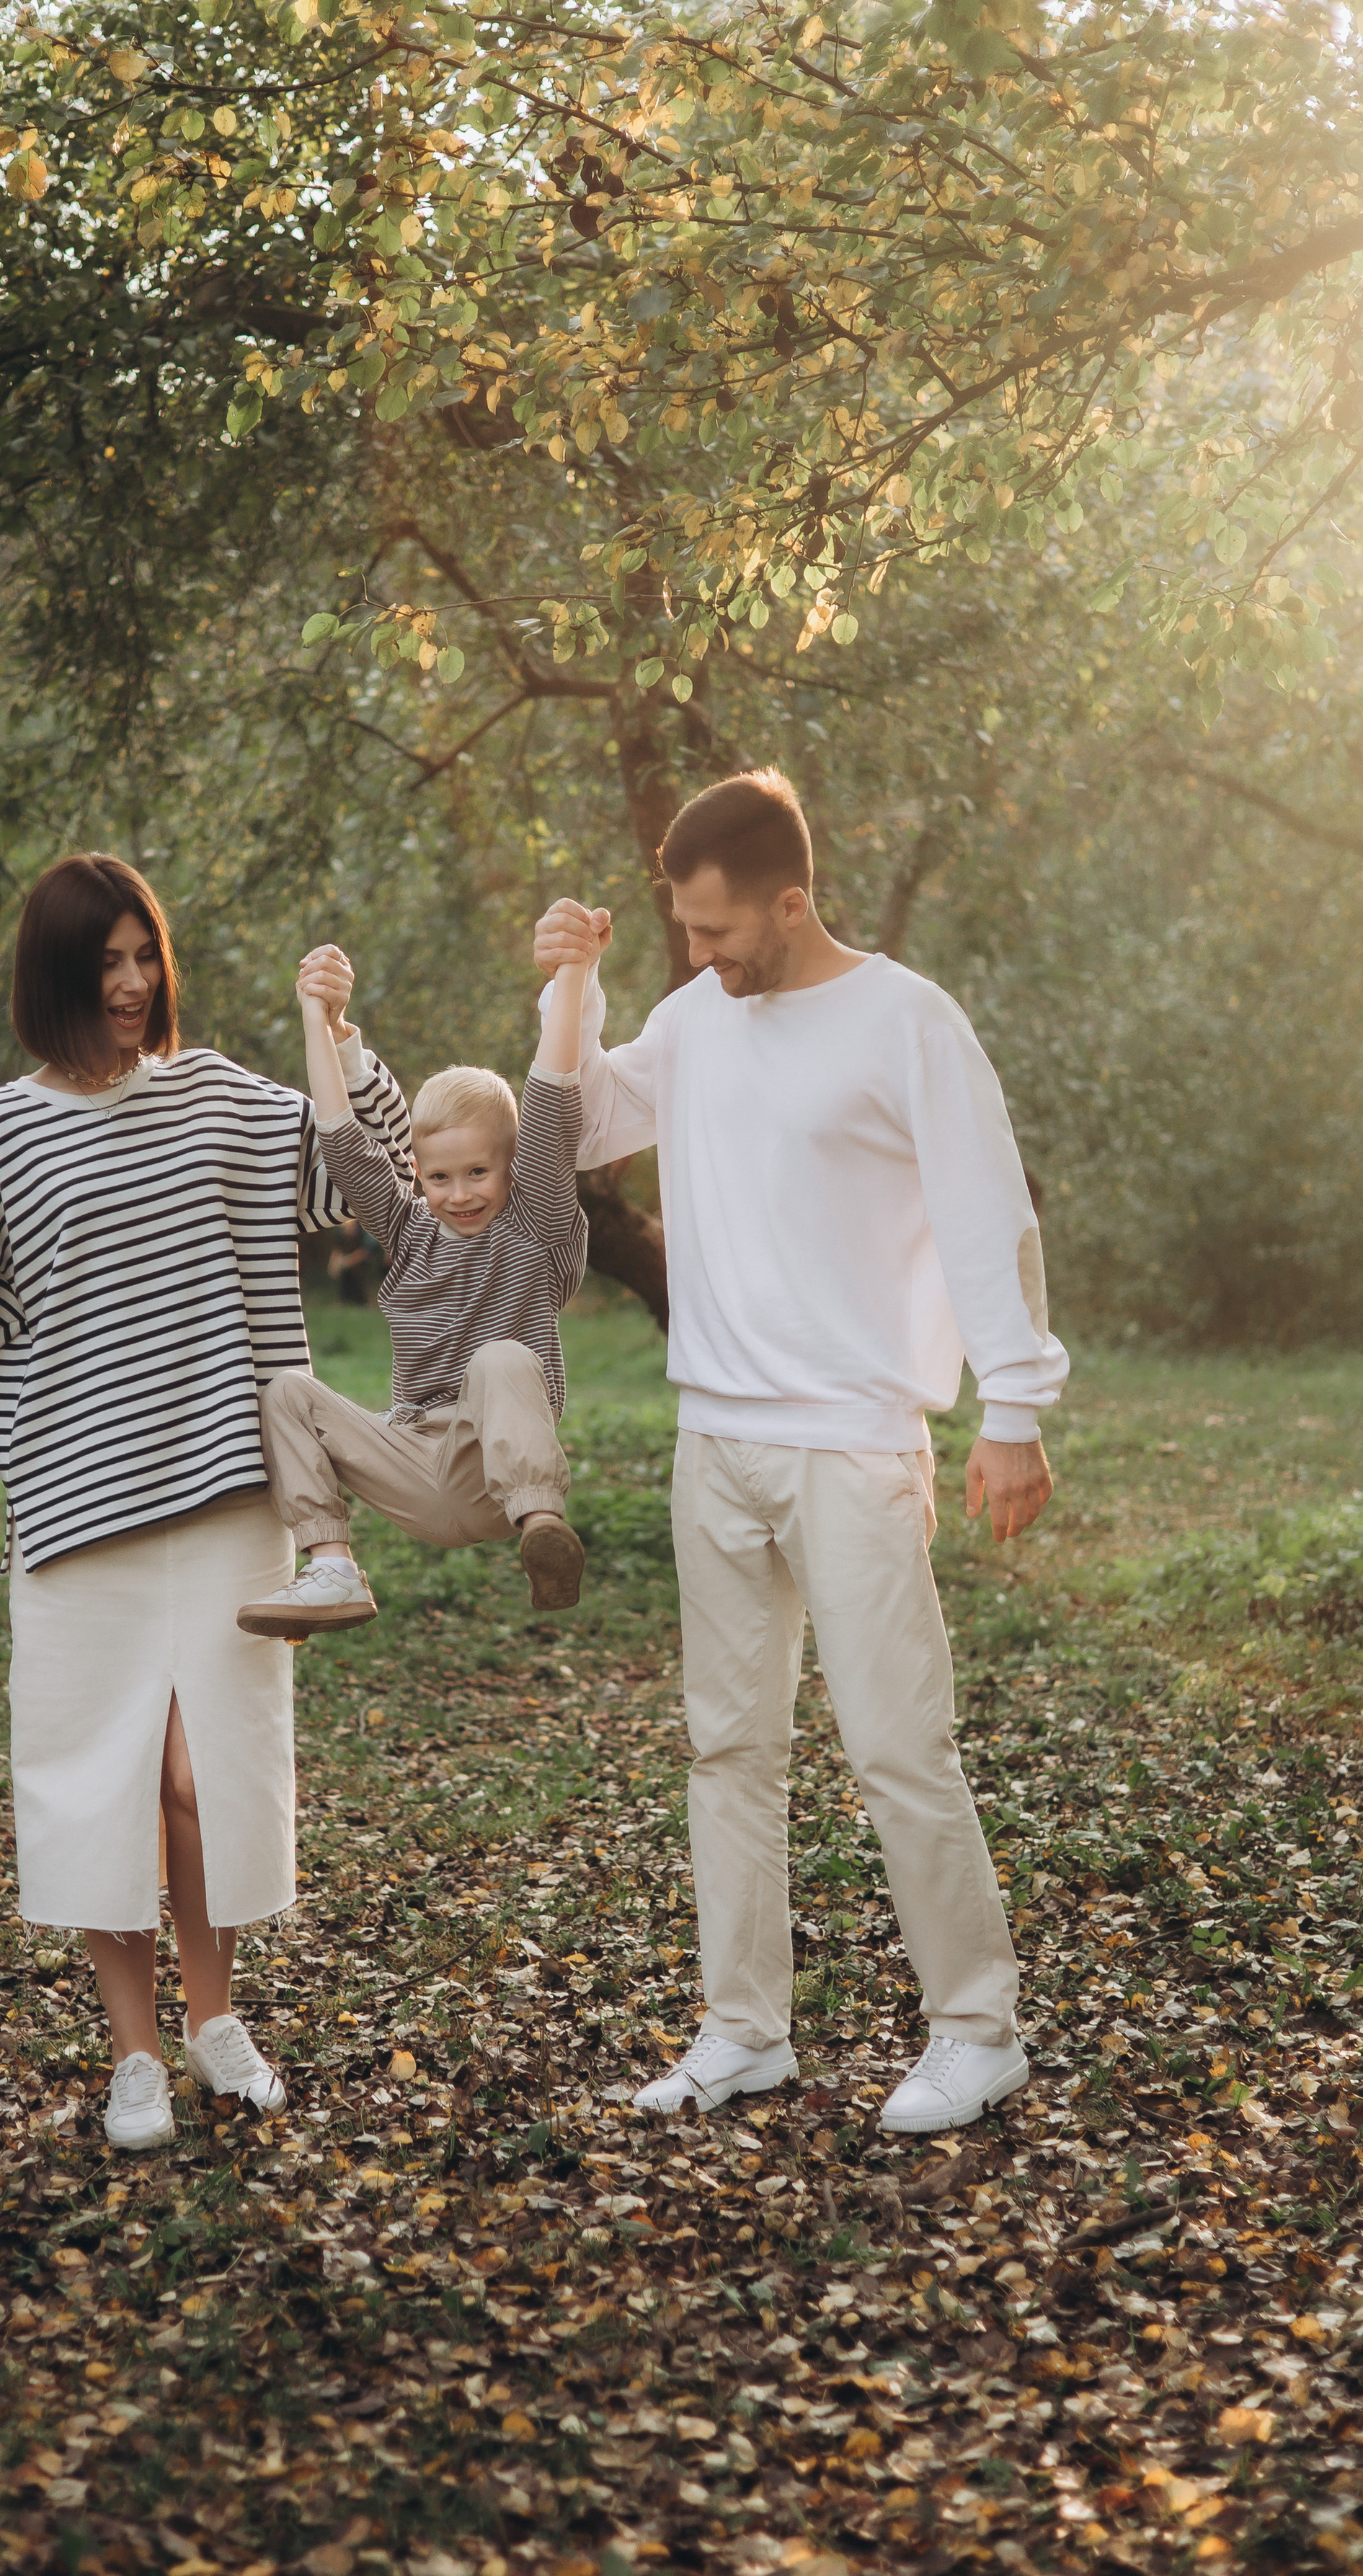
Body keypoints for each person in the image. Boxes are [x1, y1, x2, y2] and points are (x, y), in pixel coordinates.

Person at [0, 858, 412, 2150]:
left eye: (147, 957)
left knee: (205, 1780)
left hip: (230, 1495)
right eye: (106, 964)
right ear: (56, 977)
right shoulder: (2, 1132)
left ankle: (216, 2021)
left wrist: (338, 1039)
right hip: (78, 1521)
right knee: (105, 1788)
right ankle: (135, 2054)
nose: (134, 984)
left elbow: (360, 1178)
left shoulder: (217, 1097)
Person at [535, 772, 1066, 2135]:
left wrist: (1014, 1408)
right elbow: (583, 1123)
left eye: (718, 931)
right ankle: (744, 2031)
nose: (702, 954)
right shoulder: (693, 1016)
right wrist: (575, 988)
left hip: (853, 1443)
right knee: (728, 1750)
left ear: (790, 901)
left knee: (897, 1747)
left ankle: (978, 2031)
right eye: (685, 932)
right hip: (714, 1438)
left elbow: (988, 1214)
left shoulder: (907, 1021)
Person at [235, 944, 593, 1638]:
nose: (459, 1195)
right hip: (415, 1463)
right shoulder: (407, 1229)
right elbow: (342, 1140)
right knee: (286, 1392)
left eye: (478, 1172)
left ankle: (543, 1527)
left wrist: (572, 973)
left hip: (492, 1465)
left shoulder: (536, 1224)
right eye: (439, 1178)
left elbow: (552, 1105)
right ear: (419, 1172)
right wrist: (315, 1017)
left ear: (514, 1166)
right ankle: (333, 1567)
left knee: (499, 1358)